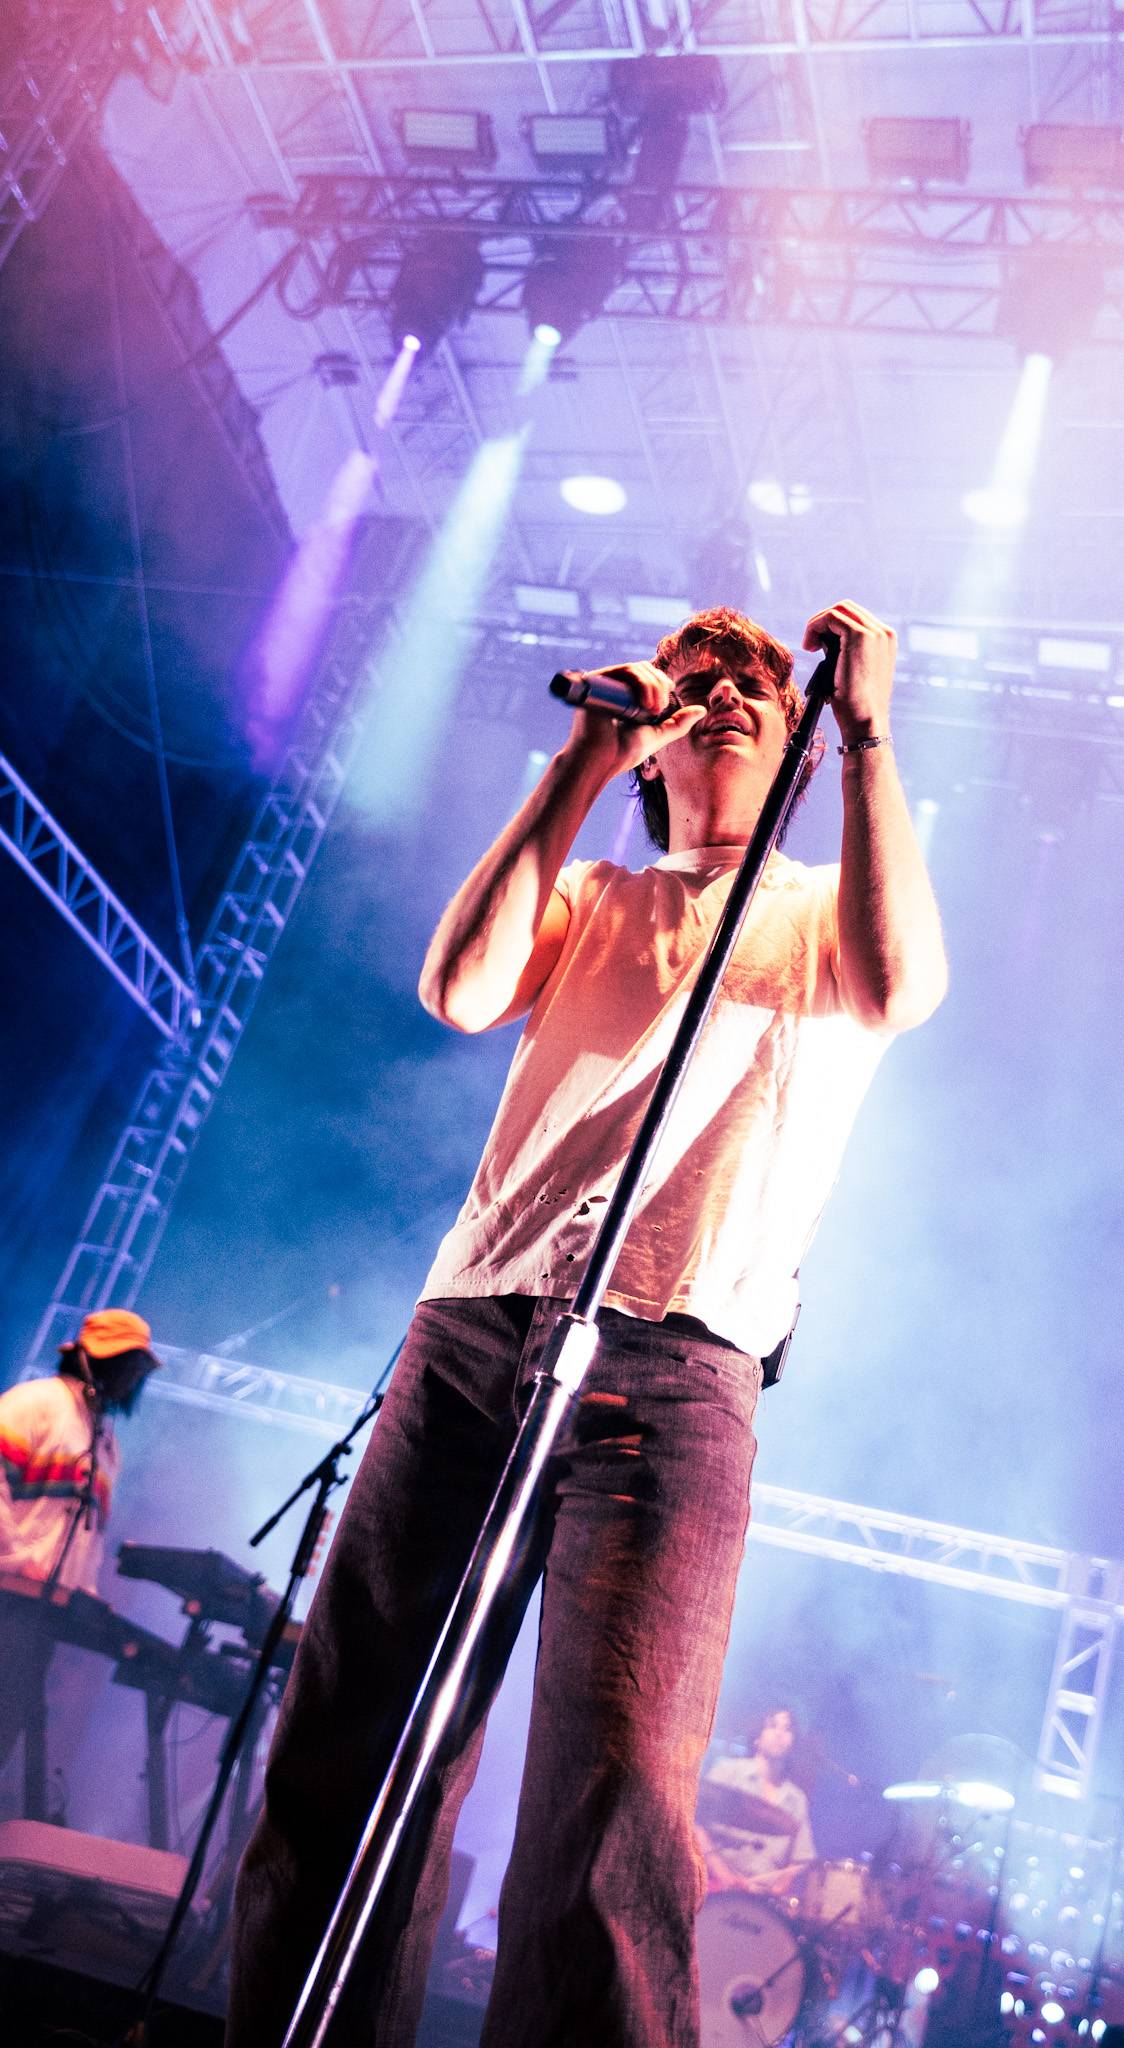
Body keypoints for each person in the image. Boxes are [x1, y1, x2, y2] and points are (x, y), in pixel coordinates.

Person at [227, 598, 948, 2048]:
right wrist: (582, 759)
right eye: (698, 679)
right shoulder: (597, 894)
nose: (727, 692)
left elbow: (901, 983)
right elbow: (458, 985)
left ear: (796, 740)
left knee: (610, 1816)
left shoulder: (824, 906)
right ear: (657, 743)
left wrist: (870, 735)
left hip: (677, 1369)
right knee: (354, 1747)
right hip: (476, 1331)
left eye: (755, 682)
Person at [0, 1308, 162, 1809]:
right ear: (94, 1360)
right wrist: (17, 1560)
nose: (133, 1378)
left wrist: (84, 1594)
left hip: (40, 1614)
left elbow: (85, 1535)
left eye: (139, 1369)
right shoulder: (35, 1403)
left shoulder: (106, 1443)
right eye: (128, 1364)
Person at [699, 1706, 817, 1896]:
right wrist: (723, 1875)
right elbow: (696, 1825)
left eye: (787, 1729)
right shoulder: (728, 1771)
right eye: (772, 1726)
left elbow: (800, 1860)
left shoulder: (797, 1799)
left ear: (793, 1743)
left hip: (762, 1898)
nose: (779, 1733)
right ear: (757, 1737)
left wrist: (778, 1889)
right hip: (715, 1887)